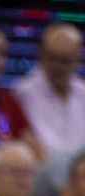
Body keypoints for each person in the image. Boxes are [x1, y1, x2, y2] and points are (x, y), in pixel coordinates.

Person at [11, 22, 85, 158]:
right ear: (41, 55)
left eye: (64, 60)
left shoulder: (83, 93)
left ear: (77, 60)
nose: (57, 66)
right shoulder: (22, 93)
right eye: (51, 58)